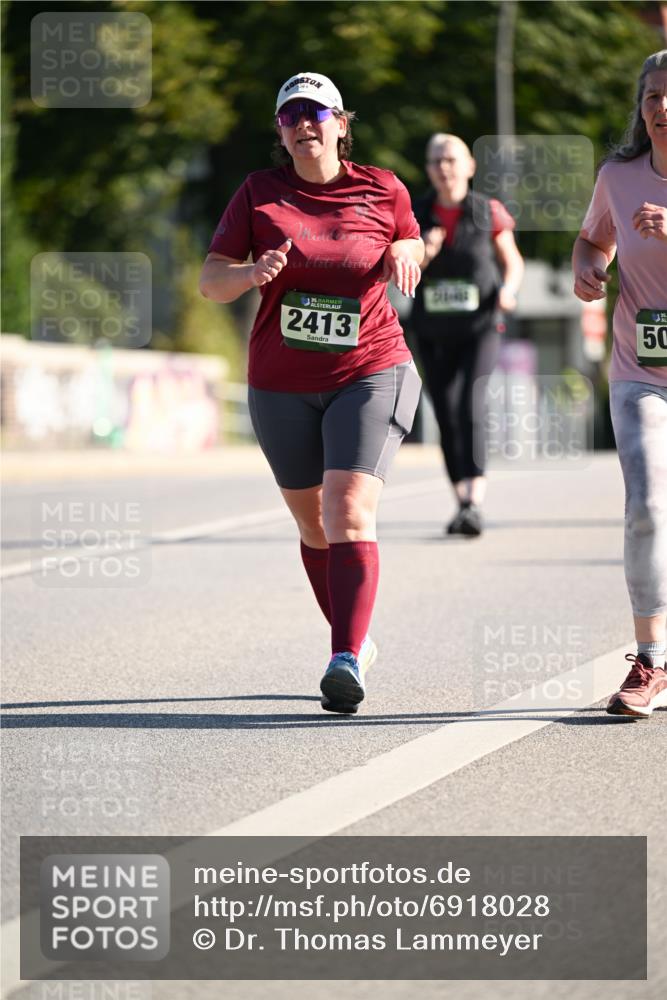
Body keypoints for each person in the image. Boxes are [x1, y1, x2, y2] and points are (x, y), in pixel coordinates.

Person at [200, 72, 424, 714]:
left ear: (341, 123)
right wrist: (249, 272)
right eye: (291, 114)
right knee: (312, 525)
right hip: (280, 383)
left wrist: (406, 252)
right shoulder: (258, 193)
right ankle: (354, 639)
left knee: (347, 509)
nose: (304, 123)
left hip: (369, 367)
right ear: (280, 129)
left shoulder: (380, 186)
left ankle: (344, 656)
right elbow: (211, 282)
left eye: (317, 113)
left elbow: (406, 233)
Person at [572, 49, 667, 718]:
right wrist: (587, 269)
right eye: (652, 97)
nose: (661, 107)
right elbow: (591, 241)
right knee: (646, 508)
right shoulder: (618, 176)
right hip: (640, 371)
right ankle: (651, 660)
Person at [410, 134, 524, 537]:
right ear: (428, 169)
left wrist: (508, 291)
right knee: (445, 410)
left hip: (480, 326)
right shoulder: (414, 213)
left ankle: (475, 498)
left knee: (470, 406)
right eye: (436, 160)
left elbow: (512, 262)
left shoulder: (488, 210)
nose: (444, 167)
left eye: (451, 159)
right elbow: (400, 269)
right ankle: (461, 501)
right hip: (432, 329)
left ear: (470, 166)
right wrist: (424, 250)